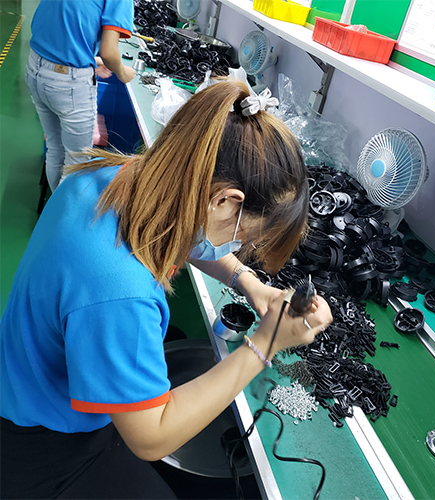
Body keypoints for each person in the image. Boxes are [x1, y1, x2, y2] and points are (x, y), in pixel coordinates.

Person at [0, 79, 333, 499]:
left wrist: (248, 282)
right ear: (224, 202)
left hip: (23, 375)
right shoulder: (121, 294)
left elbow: (184, 233)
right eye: (243, 237)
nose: (238, 247)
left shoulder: (113, 176)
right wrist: (265, 343)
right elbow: (151, 438)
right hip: (41, 443)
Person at [26, 0, 137, 192]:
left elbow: (62, 25)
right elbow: (109, 52)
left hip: (35, 69)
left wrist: (90, 61)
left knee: (55, 147)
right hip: (68, 84)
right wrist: (122, 72)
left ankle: (54, 205)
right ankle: (60, 209)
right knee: (77, 163)